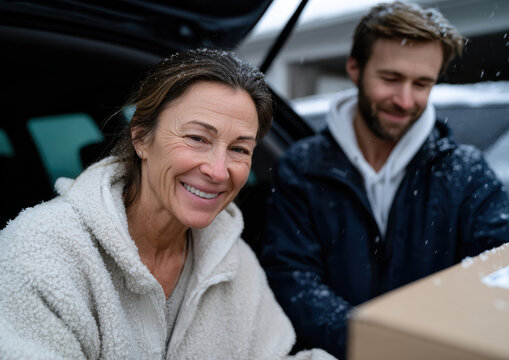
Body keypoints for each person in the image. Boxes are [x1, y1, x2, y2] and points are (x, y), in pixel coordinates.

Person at [0, 48, 335, 360]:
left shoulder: (233, 261)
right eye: (197, 138)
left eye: (239, 149)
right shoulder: (39, 251)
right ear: (141, 137)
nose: (219, 171)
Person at [259, 2, 509, 359]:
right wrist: (374, 343)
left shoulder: (466, 171)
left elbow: (503, 271)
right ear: (355, 68)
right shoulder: (302, 167)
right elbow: (292, 279)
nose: (404, 100)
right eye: (391, 79)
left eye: (422, 83)